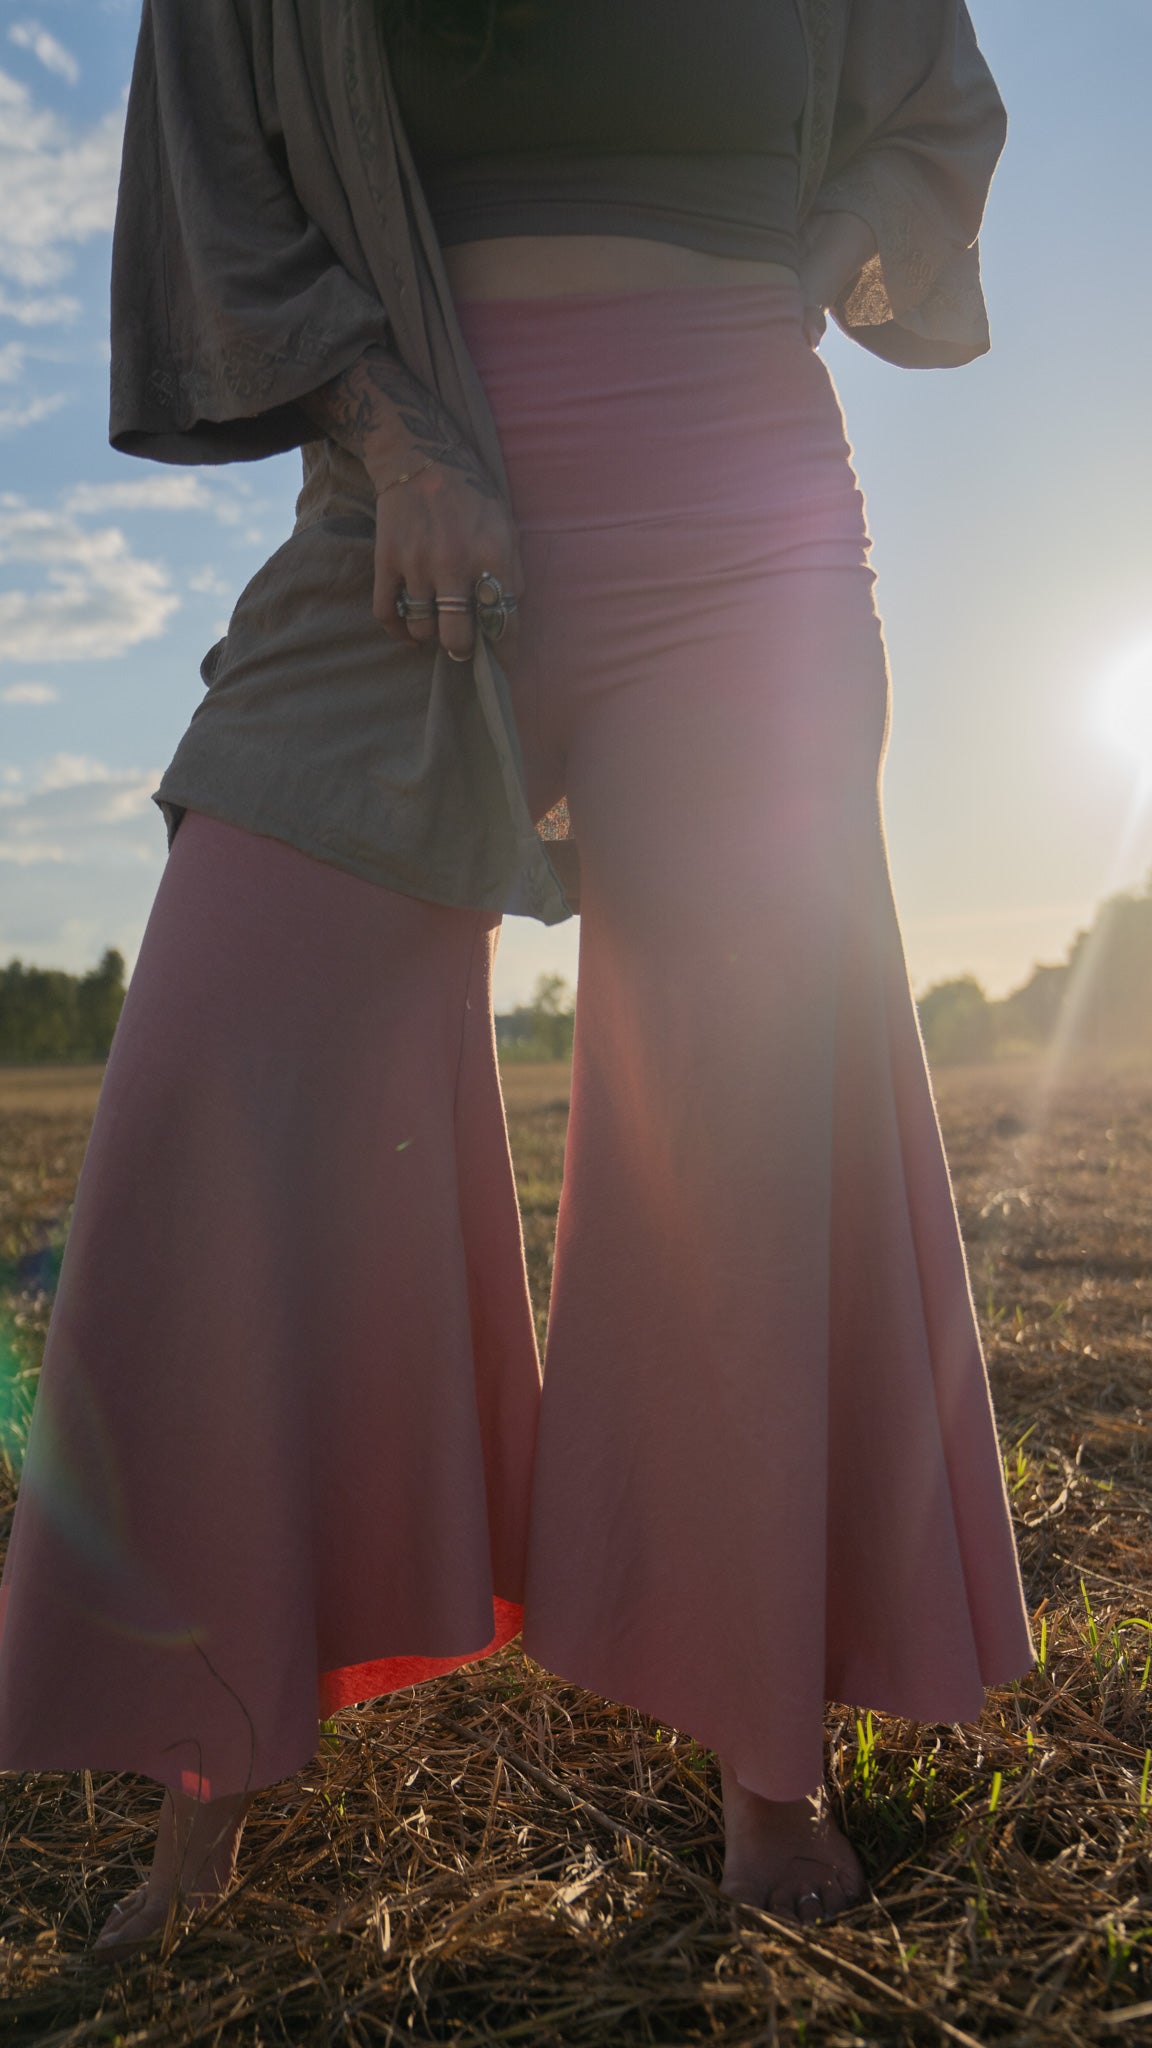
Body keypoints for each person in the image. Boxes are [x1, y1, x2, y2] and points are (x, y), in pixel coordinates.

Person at [0, 0, 1035, 1952]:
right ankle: (210, 1736)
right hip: (404, 489)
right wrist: (401, 437)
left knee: (747, 1113)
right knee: (229, 1047)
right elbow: (226, 194)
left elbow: (935, 116)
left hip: (739, 507)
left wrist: (775, 297)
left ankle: (762, 1742)